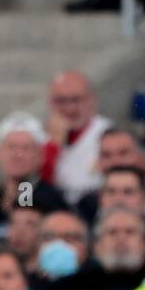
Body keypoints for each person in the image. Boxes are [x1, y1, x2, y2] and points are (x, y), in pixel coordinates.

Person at [51, 208, 145, 290]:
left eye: (130, 232)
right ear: (97, 245)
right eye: (112, 232)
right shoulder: (81, 281)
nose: (121, 238)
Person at [42, 71, 113, 206]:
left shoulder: (108, 134)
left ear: (92, 100)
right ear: (50, 103)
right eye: (61, 101)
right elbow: (36, 188)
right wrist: (53, 147)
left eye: (76, 99)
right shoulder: (38, 136)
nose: (69, 109)